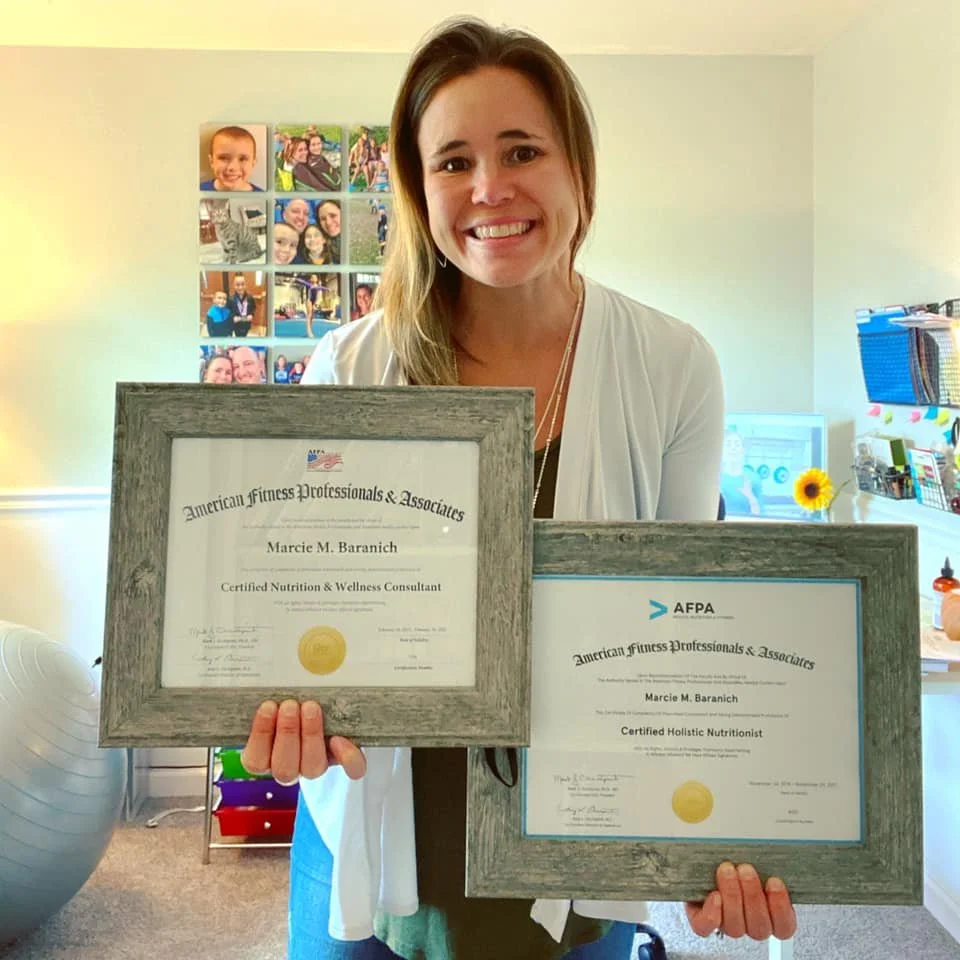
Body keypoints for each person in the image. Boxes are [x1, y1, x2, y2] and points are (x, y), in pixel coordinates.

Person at [240, 15, 798, 960]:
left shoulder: (672, 365)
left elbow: (689, 627)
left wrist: (725, 835)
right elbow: (300, 602)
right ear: (420, 191)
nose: (489, 188)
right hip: (373, 826)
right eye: (452, 161)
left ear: (578, 168)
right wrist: (278, 703)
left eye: (522, 149)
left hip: (575, 833)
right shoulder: (351, 364)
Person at [201, 125, 263, 192]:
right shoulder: (195, 192)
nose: (233, 167)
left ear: (253, 163)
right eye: (223, 158)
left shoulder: (266, 199)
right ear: (211, 161)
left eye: (242, 159)